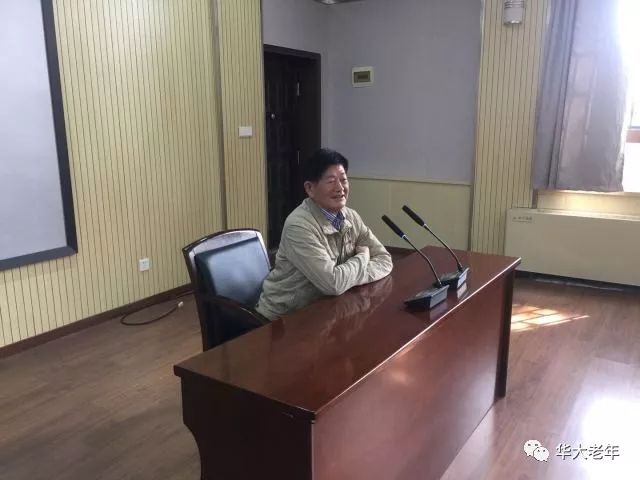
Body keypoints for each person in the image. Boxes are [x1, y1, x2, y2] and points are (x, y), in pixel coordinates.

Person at [256, 148, 393, 320]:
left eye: (343, 180)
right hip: (284, 319)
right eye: (331, 181)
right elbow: (333, 284)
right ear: (310, 188)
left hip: (326, 310)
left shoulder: (351, 216)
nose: (340, 188)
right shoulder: (299, 226)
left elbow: (384, 259)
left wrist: (348, 279)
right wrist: (363, 257)